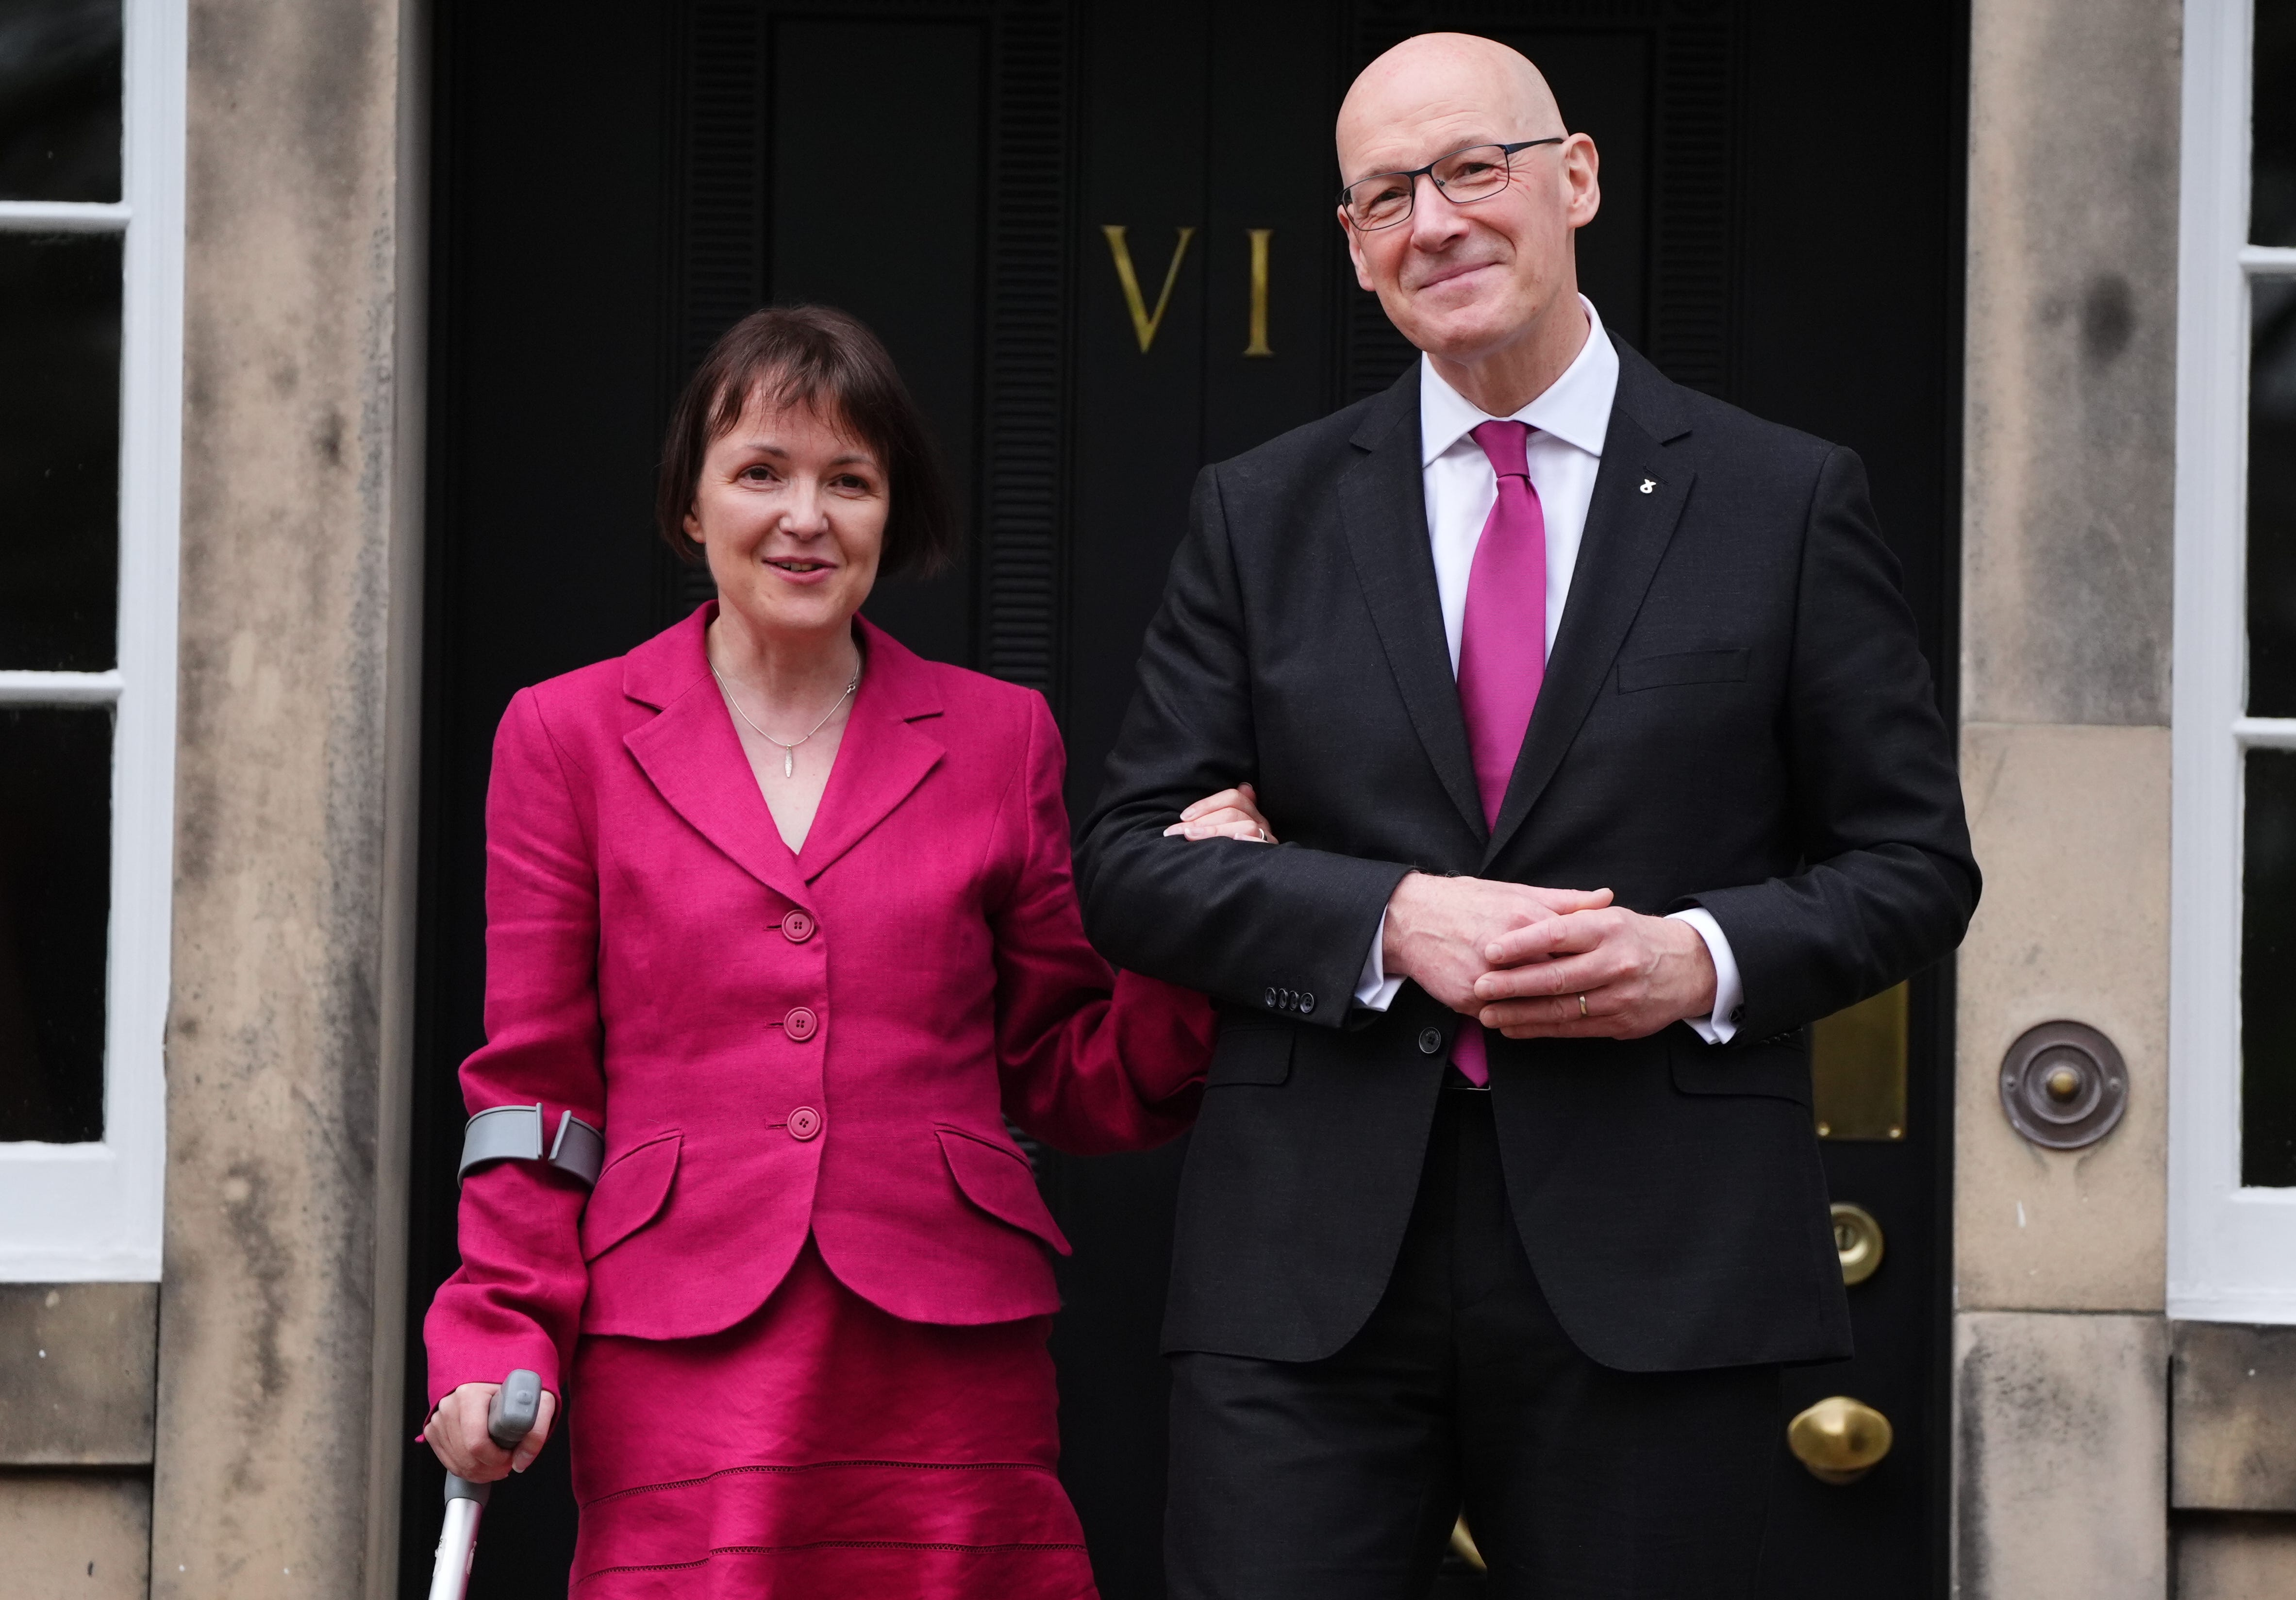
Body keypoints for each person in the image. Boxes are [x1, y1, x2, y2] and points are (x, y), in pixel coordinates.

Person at [1074, 33, 1980, 1600]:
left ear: (1575, 179)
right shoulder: (1262, 509)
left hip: (1664, 1265)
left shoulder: (1782, 499)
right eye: (1382, 198)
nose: (1434, 222)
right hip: (1307, 1278)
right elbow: (1134, 861)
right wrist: (1383, 919)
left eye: (1471, 171)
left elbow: (1914, 864)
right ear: (1355, 252)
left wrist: (1699, 960)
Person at [421, 305, 1275, 1598]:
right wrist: (494, 1329)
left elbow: (1069, 1071)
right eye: (761, 472)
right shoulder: (566, 736)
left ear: (895, 515)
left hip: (948, 1365)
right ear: (691, 507)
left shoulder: (1003, 738)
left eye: (850, 480)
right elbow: (535, 1091)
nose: (805, 517)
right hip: (680, 1354)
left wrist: (1204, 928)